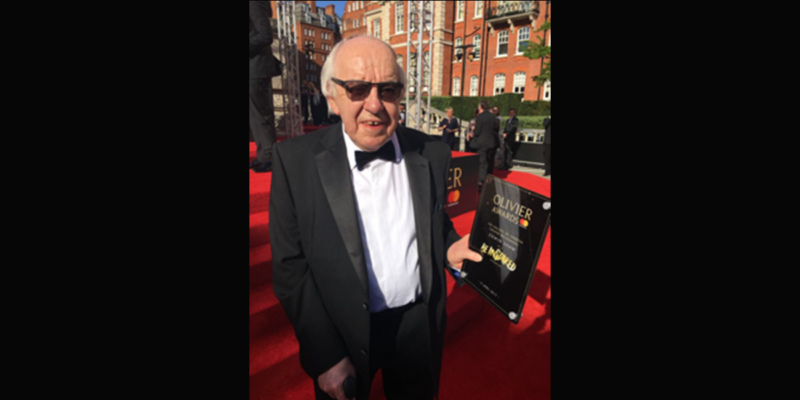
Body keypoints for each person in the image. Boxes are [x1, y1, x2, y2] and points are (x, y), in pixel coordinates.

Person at [270, 35, 482, 400]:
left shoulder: (432, 153)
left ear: (400, 95)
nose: (374, 104)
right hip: (342, 331)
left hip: (418, 326)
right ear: (332, 96)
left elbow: (434, 223)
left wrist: (448, 249)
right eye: (356, 89)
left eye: (387, 89)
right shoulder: (294, 161)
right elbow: (290, 267)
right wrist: (325, 356)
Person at [249, 1, 277, 173]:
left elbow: (266, 35)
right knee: (254, 116)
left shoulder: (254, 3)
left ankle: (270, 157)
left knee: (261, 115)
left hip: (257, 68)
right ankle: (263, 156)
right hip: (253, 68)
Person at [472, 101, 500, 191]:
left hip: (482, 143)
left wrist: (473, 129)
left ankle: (481, 181)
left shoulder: (480, 117)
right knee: (490, 161)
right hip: (491, 143)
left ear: (480, 107)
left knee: (482, 163)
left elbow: (477, 132)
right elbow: (496, 127)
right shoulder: (493, 116)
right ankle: (489, 178)